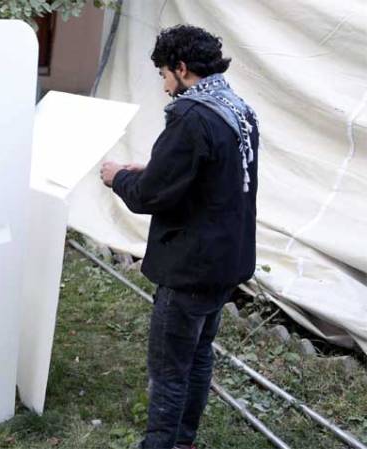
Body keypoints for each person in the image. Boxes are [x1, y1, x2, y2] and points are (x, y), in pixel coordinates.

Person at [100, 25, 259, 449]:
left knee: (170, 369)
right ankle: (184, 440)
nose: (165, 85)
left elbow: (151, 196)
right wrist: (149, 172)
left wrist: (119, 179)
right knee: (199, 356)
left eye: (164, 75)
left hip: (191, 267)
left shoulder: (191, 116)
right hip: (227, 261)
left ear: (182, 68)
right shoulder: (239, 110)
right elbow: (208, 182)